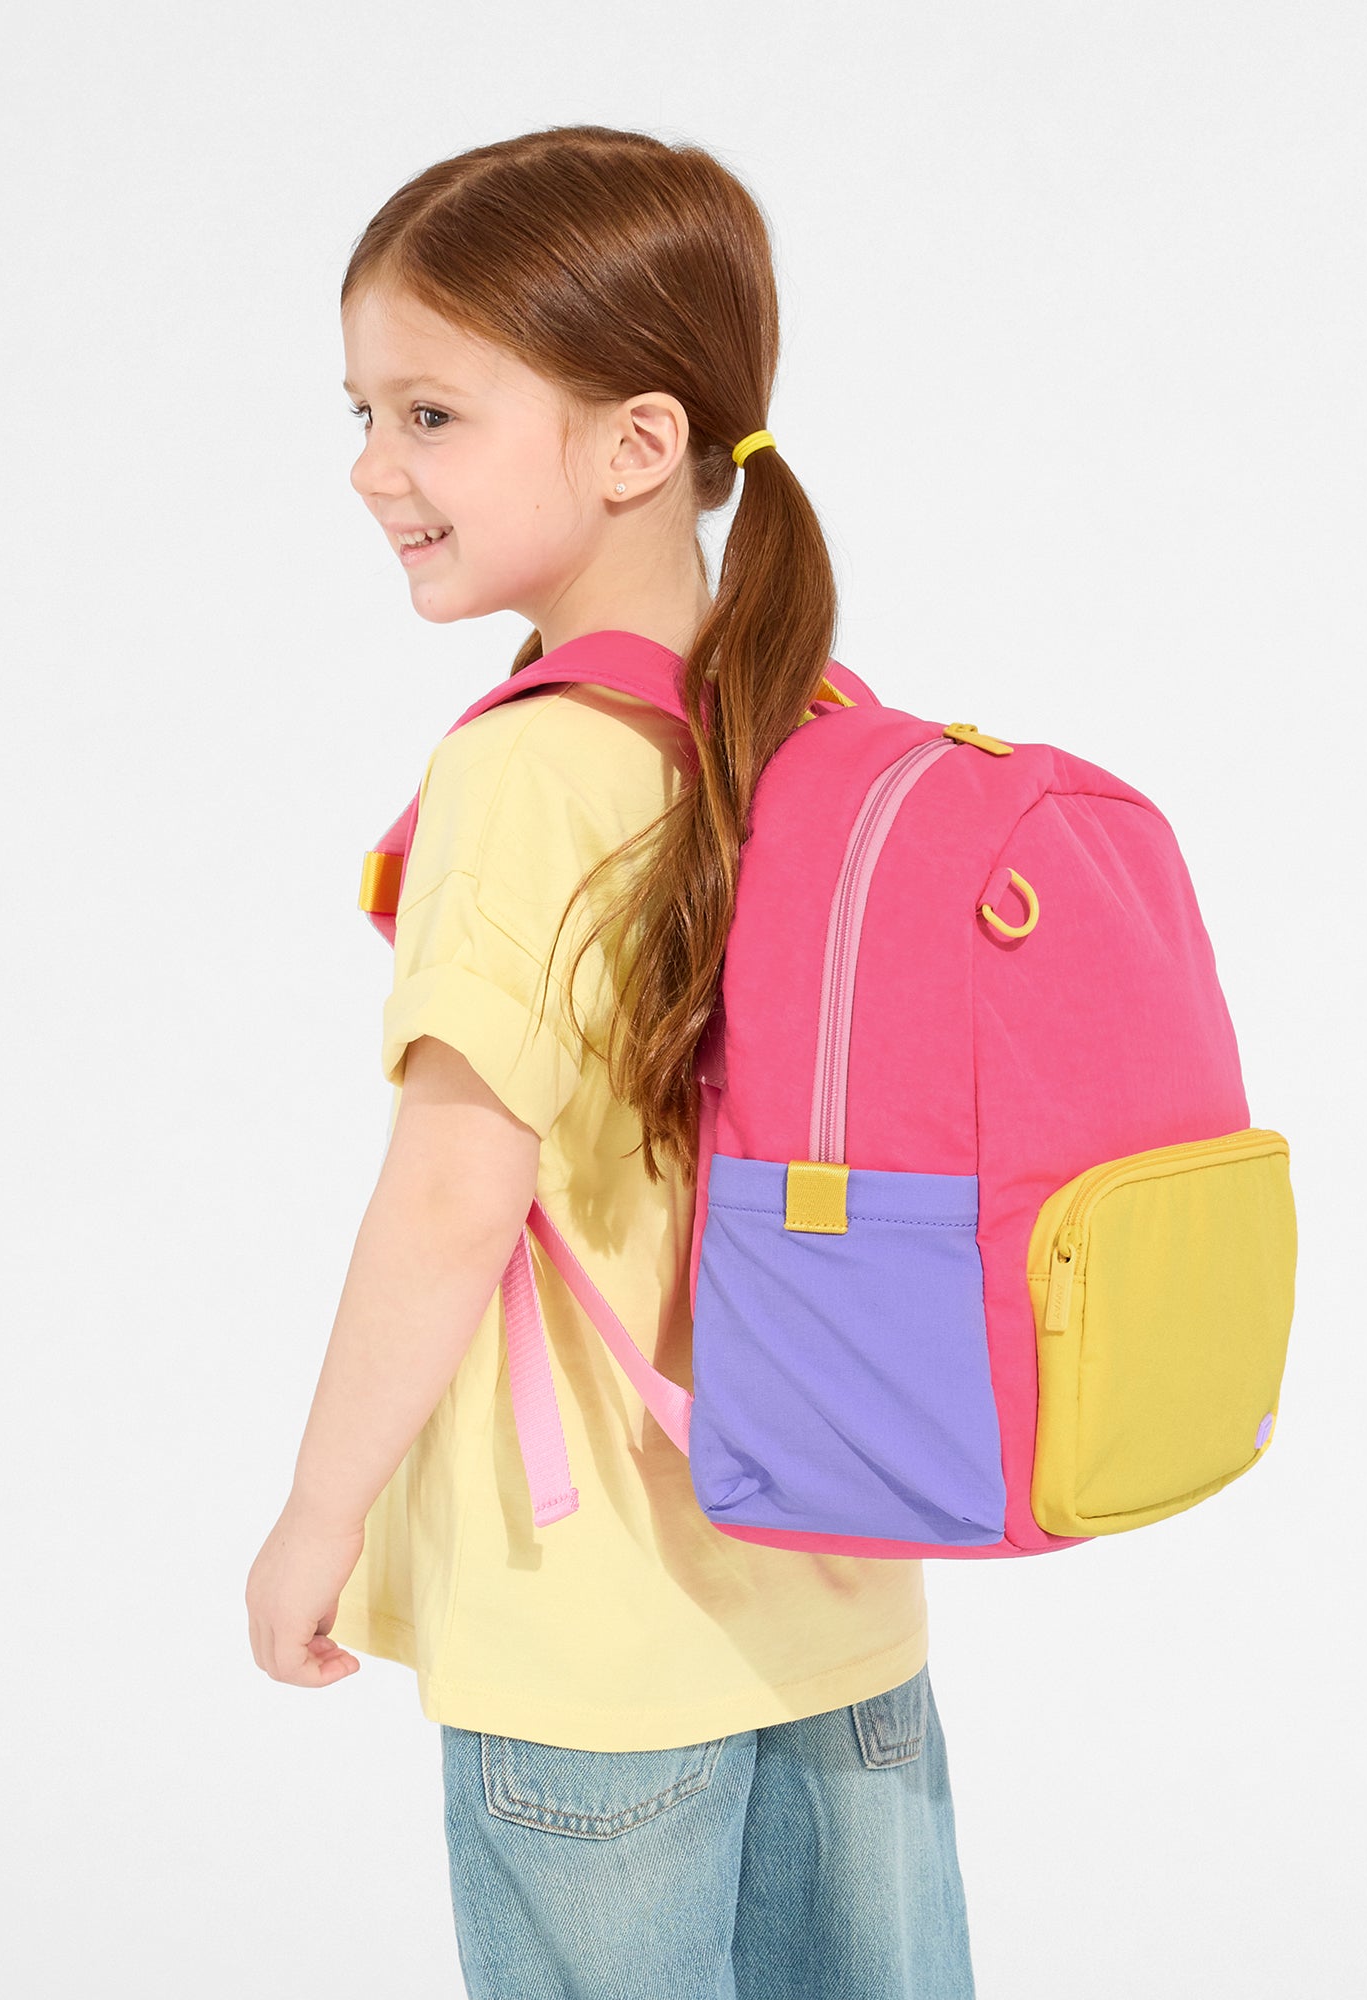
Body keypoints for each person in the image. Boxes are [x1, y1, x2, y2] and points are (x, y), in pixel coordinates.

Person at [244, 125, 976, 1999]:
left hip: (591, 1641)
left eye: (429, 413)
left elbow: (451, 1193)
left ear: (638, 441)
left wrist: (316, 1522)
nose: (369, 467)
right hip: (841, 1593)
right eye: (363, 410)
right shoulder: (808, 725)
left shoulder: (529, 766)